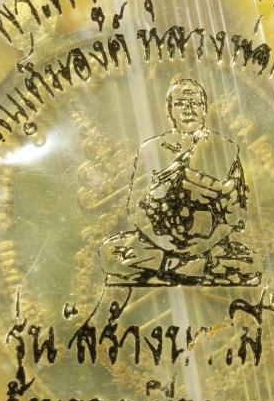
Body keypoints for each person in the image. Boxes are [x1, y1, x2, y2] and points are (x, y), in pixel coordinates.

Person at [99, 79, 261, 286]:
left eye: (195, 103)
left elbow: (237, 212)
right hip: (157, 242)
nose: (188, 109)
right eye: (180, 103)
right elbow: (135, 208)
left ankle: (172, 268)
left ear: (204, 109)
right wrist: (165, 243)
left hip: (209, 245)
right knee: (109, 252)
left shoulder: (226, 149)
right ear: (170, 111)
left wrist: (201, 245)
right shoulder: (151, 149)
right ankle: (185, 267)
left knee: (254, 262)